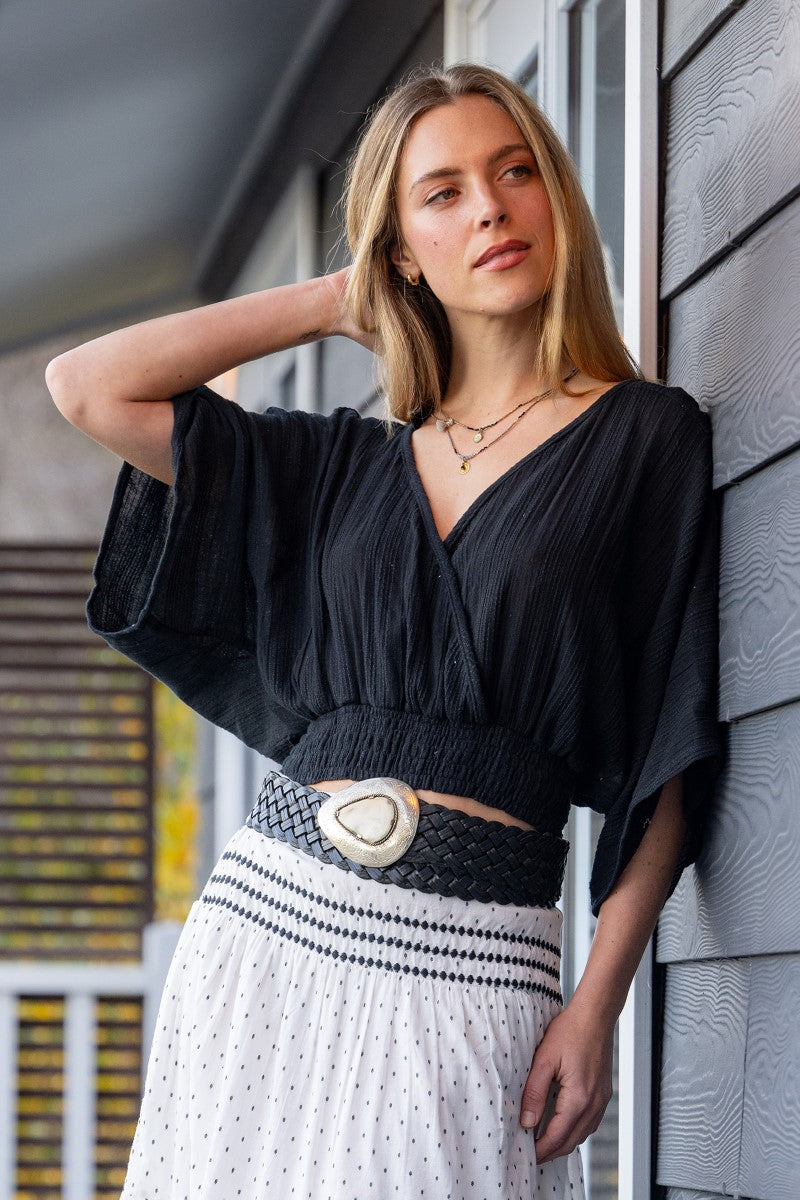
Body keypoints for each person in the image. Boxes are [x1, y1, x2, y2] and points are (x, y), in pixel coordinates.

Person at [46, 62, 723, 1200]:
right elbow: (86, 385)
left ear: (556, 198)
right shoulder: (335, 466)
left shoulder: (644, 439)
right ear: (399, 249)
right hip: (267, 932)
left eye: (514, 175)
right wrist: (333, 299)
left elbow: (669, 739)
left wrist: (596, 1000)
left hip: (475, 960)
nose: (490, 211)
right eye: (442, 193)